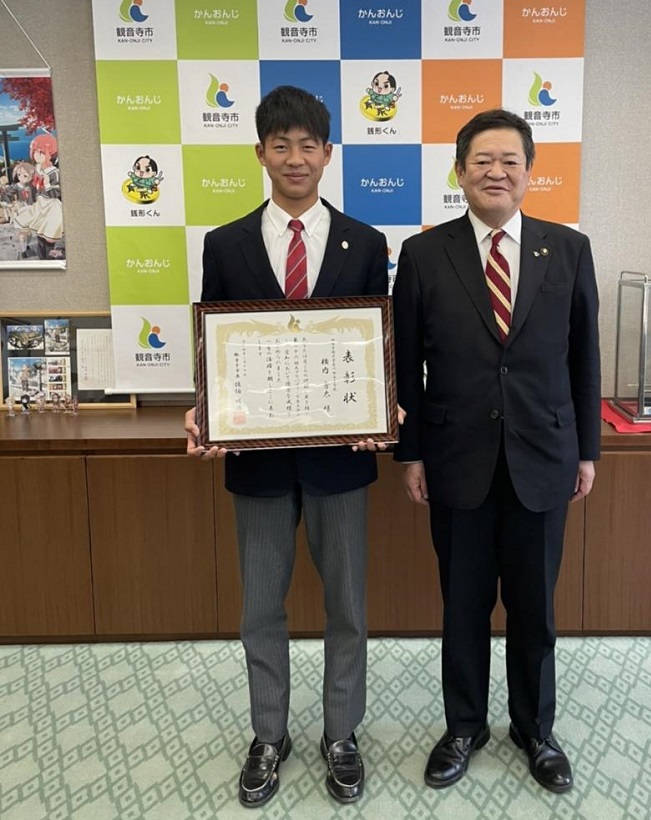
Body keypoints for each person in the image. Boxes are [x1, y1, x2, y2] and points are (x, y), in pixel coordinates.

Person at [184, 85, 388, 808]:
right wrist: (207, 412)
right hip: (258, 461)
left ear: (328, 154)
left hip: (340, 459)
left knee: (348, 607)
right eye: (281, 145)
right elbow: (217, 350)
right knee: (260, 609)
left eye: (308, 145)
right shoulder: (225, 244)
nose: (295, 157)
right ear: (260, 153)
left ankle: (341, 734)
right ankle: (269, 735)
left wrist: (381, 404)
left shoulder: (366, 243)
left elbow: (374, 347)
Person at [392, 108, 600, 794]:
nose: (496, 172)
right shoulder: (424, 254)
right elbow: (406, 365)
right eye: (482, 160)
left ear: (530, 172)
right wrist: (411, 454)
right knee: (463, 605)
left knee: (535, 608)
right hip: (456, 458)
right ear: (460, 171)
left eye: (510, 160)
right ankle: (464, 726)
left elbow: (584, 359)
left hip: (545, 455)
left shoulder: (568, 249)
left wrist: (587, 451)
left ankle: (535, 729)